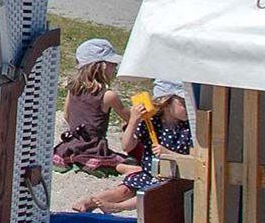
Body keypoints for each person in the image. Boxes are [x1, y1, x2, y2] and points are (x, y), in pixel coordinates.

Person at [73, 80, 194, 213]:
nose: (189, 108)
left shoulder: (189, 129)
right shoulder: (152, 122)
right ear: (166, 103)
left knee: (149, 193)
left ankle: (117, 207)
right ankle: (90, 201)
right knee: (124, 190)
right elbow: (126, 146)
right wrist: (133, 120)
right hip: (149, 173)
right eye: (183, 104)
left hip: (173, 177)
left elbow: (194, 159)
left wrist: (169, 153)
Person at [53, 39, 127, 172]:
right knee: (129, 164)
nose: (115, 68)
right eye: (112, 64)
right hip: (94, 148)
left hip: (72, 144)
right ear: (101, 66)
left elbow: (67, 115)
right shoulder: (108, 95)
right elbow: (129, 117)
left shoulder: (73, 88)